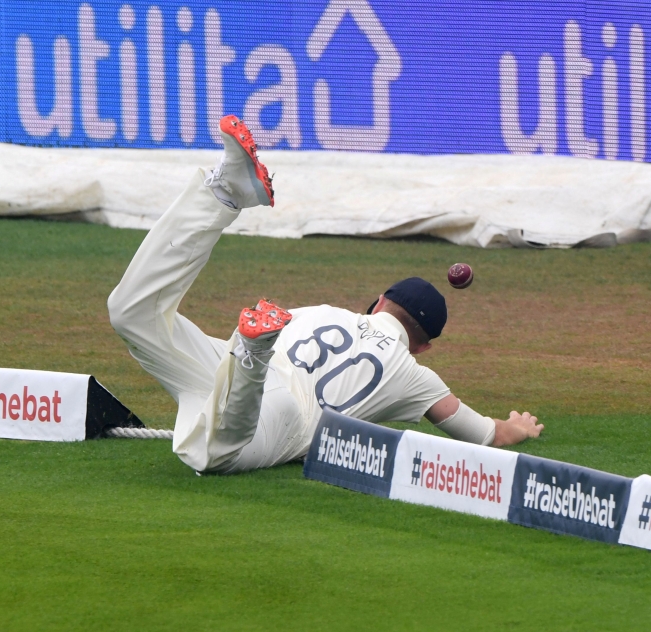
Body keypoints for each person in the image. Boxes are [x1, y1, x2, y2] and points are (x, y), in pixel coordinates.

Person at [107, 115, 543, 474]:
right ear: (424, 346)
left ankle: (221, 193)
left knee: (132, 314)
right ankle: (252, 350)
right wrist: (517, 426)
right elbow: (488, 437)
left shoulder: (322, 312)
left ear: (377, 302)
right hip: (281, 414)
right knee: (213, 454)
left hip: (229, 368)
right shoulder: (415, 376)